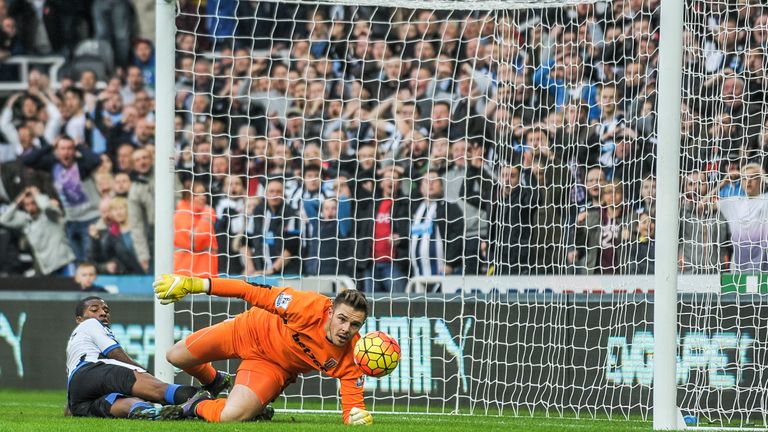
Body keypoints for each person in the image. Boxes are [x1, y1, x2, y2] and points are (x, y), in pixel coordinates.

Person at [152, 274, 374, 425]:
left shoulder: (354, 357)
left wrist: (356, 419)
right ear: (330, 312)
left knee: (232, 416)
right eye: (342, 319)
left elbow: (352, 411)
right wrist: (196, 284)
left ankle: (196, 405)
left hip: (272, 367)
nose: (346, 329)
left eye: (354, 325)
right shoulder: (304, 306)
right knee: (175, 356)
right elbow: (249, 290)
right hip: (247, 330)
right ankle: (213, 381)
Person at [66, 296, 198, 419]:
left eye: (106, 310)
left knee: (119, 402)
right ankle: (206, 398)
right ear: (79, 319)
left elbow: (78, 378)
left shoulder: (74, 343)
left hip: (77, 395)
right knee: (162, 391)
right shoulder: (91, 324)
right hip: (93, 370)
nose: (102, 313)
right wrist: (145, 374)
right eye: (94, 309)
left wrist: (72, 404)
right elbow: (115, 353)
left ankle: (146, 411)